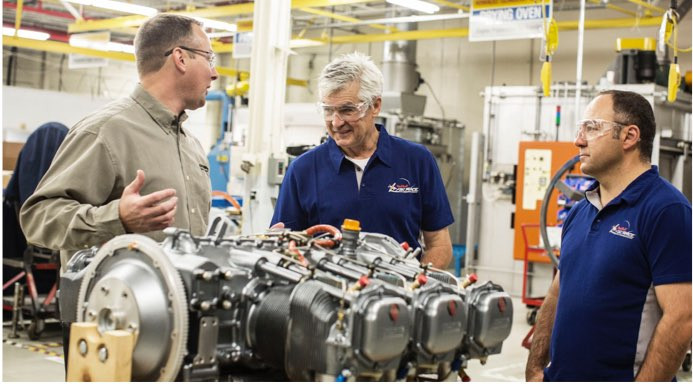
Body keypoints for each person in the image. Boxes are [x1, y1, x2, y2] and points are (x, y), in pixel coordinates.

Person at [20, 13, 217, 268]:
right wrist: (117, 218)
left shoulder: (192, 146)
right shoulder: (106, 131)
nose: (214, 73)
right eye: (209, 58)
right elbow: (38, 218)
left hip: (180, 304)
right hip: (115, 306)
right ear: (180, 58)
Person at [525, 90, 692, 381]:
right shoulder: (579, 212)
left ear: (629, 137)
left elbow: (682, 317)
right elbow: (556, 293)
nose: (579, 140)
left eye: (592, 127)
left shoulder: (667, 210)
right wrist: (536, 370)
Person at [270, 52, 454, 269]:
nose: (336, 122)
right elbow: (286, 245)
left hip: (397, 297)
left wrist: (414, 286)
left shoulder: (417, 160)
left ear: (375, 106)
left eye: (347, 110)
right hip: (323, 298)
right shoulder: (302, 169)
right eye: (328, 110)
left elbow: (439, 245)